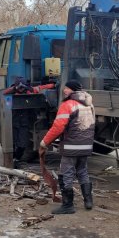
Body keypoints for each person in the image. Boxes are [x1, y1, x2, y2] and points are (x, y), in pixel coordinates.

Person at [39, 80, 95, 214]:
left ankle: (68, 205)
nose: (64, 91)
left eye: (66, 88)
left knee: (66, 174)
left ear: (73, 90)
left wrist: (44, 142)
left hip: (71, 146)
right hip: (86, 145)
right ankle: (88, 201)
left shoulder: (68, 104)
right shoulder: (89, 104)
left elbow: (58, 127)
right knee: (82, 172)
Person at [3, 76, 55, 162]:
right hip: (13, 122)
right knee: (12, 143)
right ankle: (13, 159)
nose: (20, 89)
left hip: (24, 123)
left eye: (22, 87)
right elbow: (4, 93)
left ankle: (17, 158)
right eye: (19, 87)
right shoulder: (12, 93)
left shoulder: (30, 91)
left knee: (22, 144)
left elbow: (42, 87)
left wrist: (53, 85)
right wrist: (14, 89)